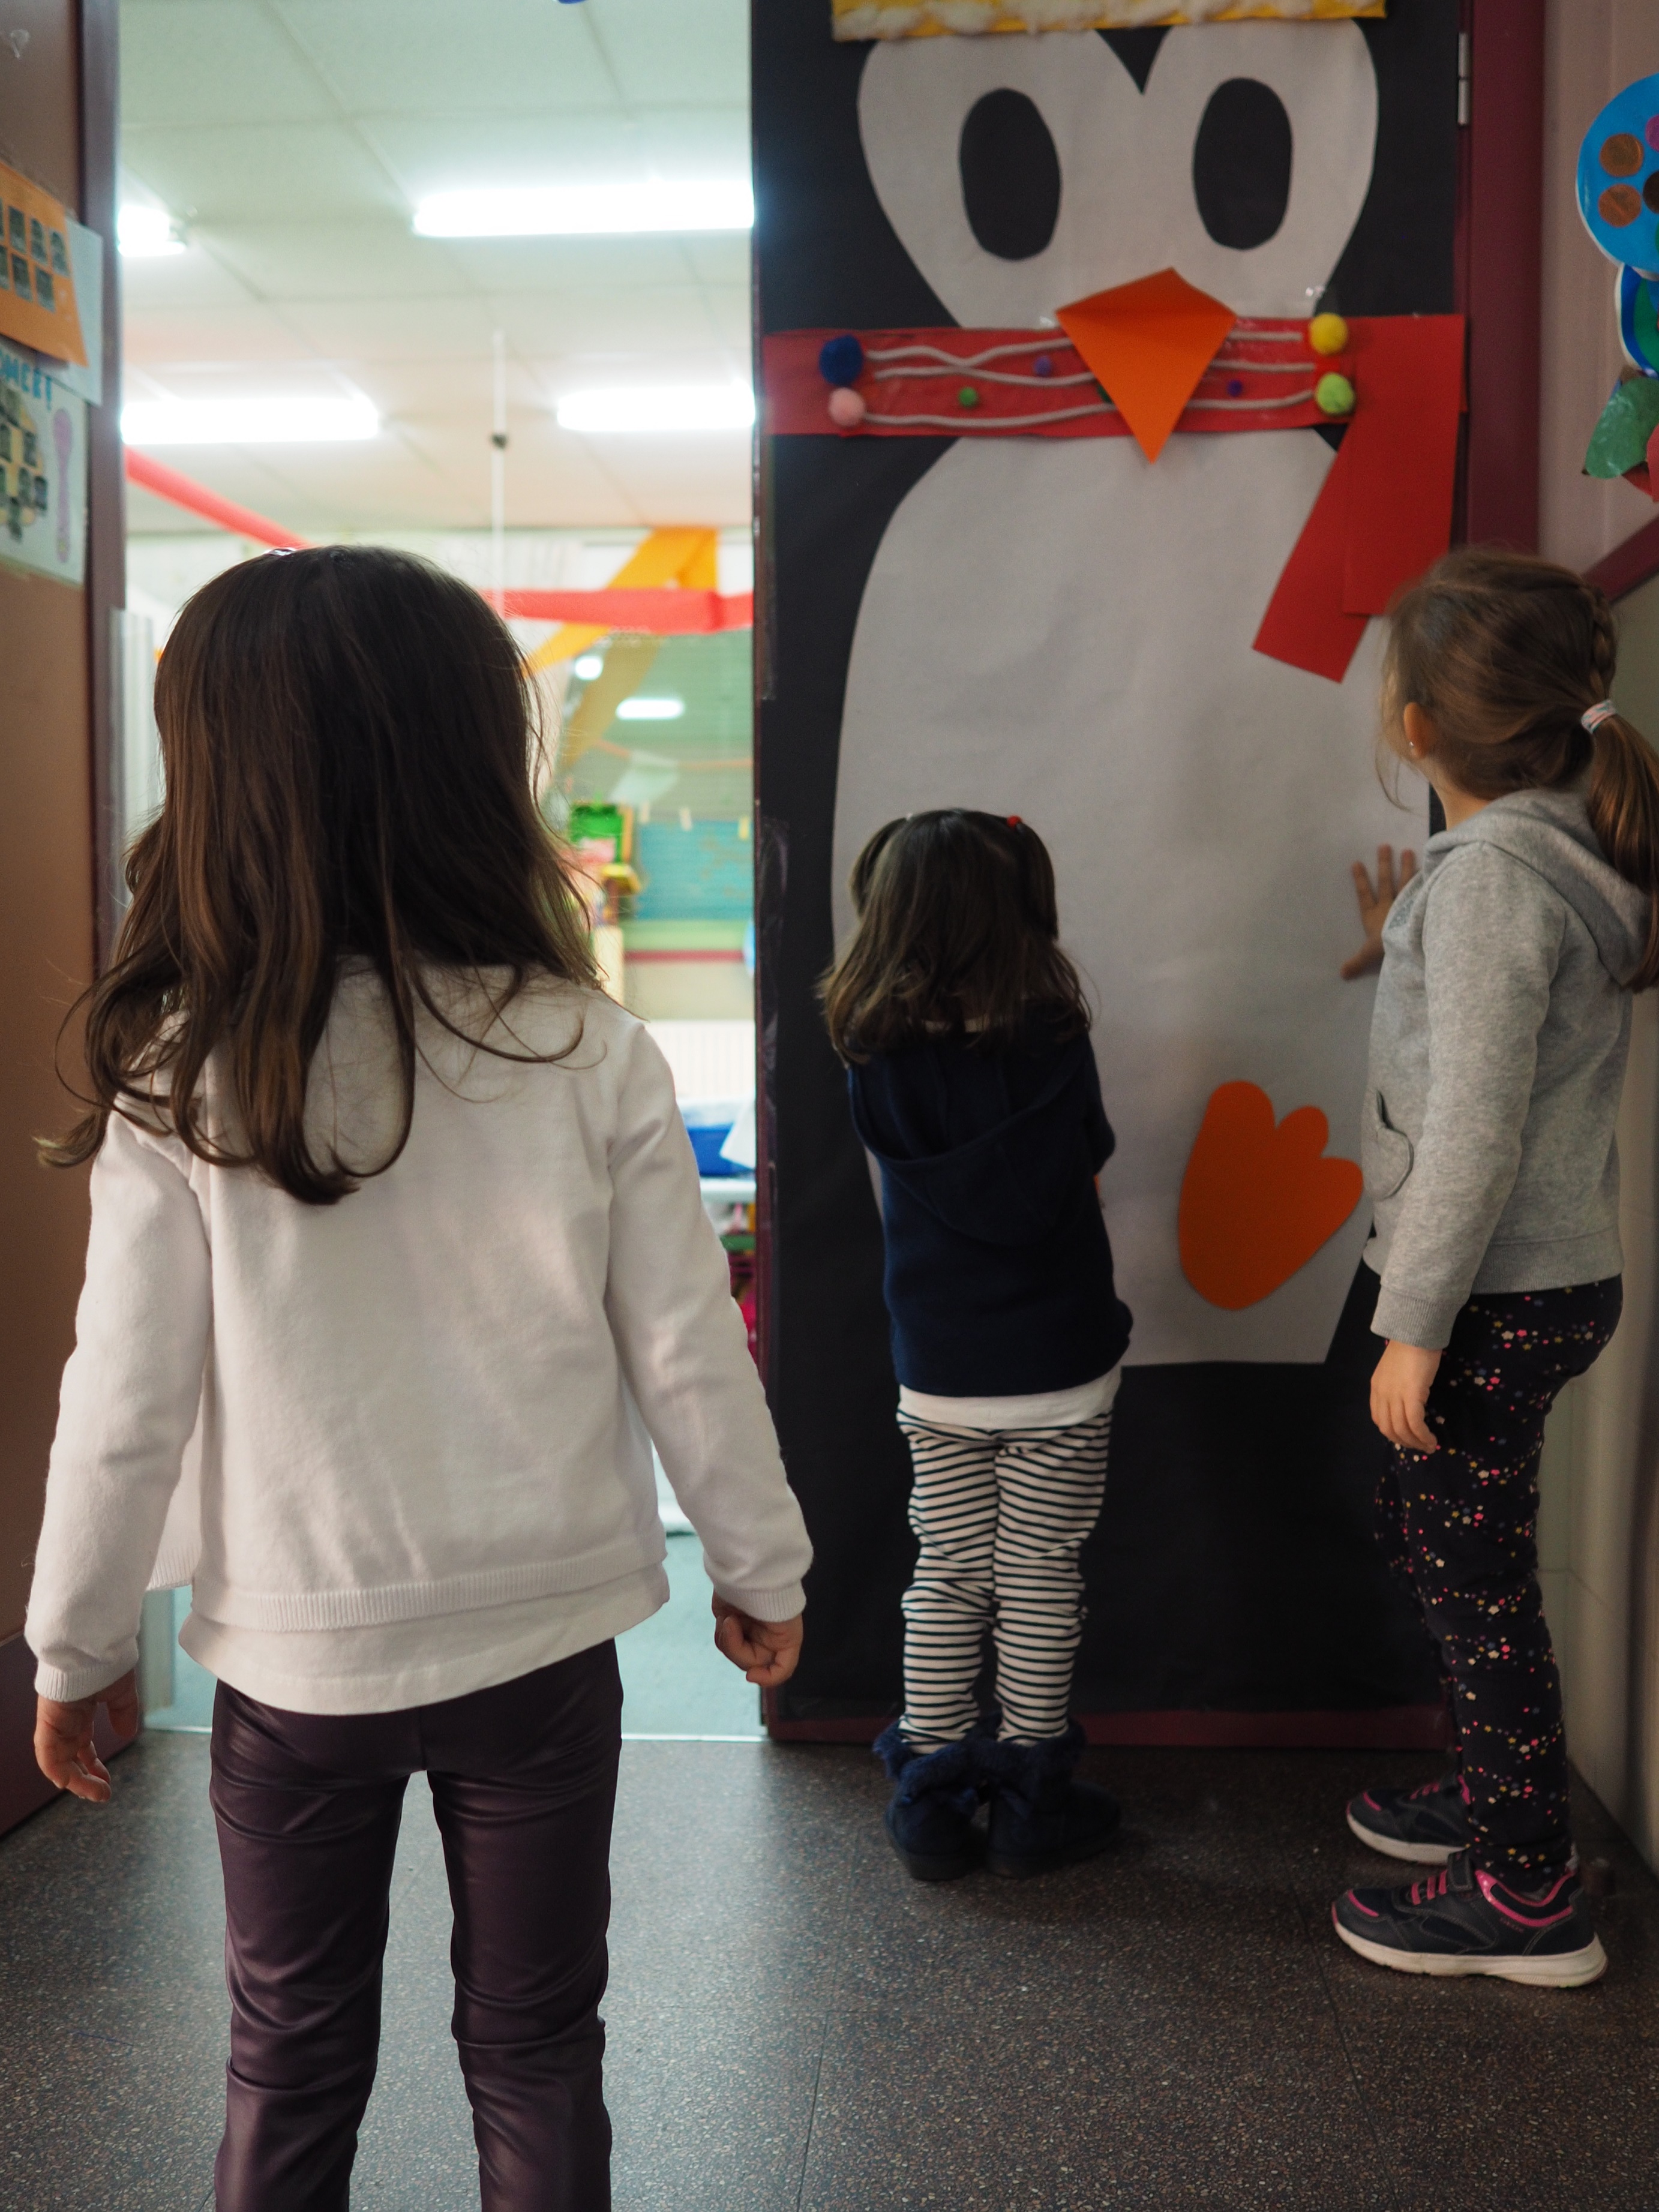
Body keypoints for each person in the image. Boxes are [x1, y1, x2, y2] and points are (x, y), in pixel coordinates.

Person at [25, 547, 812, 2210]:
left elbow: (123, 1404)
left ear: (220, 785)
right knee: (537, 2047)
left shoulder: (185, 1074)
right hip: (544, 1645)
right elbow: (691, 1348)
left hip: (296, 1660)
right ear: (473, 770)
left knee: (288, 2055)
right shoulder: (585, 1048)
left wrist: (78, 1645)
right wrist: (760, 1567)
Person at [1331, 549, 1659, 1986]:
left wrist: (1415, 1325)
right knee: (1444, 1543)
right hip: (1543, 1278)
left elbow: (1472, 1129)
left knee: (1475, 1585)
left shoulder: (1488, 883)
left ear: (1421, 729)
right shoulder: (1559, 851)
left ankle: (1529, 1892)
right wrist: (1397, 952)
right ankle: (1494, 1789)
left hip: (1486, 1291)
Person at [821, 811, 1132, 1881]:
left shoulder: (870, 1053)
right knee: (1040, 1575)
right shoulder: (1055, 1039)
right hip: (1059, 1362)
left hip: (939, 1367)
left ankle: (932, 1799)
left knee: (947, 1572)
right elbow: (1086, 1165)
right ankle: (1033, 1802)